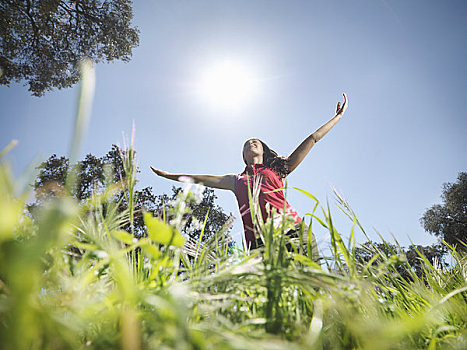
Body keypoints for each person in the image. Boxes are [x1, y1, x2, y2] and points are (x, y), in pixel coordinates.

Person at [151, 93, 348, 257]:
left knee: (311, 292)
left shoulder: (279, 169)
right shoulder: (236, 181)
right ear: (244, 157)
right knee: (271, 300)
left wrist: (338, 117)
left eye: (255, 141)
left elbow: (313, 138)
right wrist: (169, 176)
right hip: (259, 242)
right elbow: (200, 179)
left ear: (264, 150)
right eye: (247, 144)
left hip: (292, 231)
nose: (251, 143)